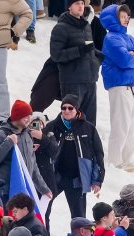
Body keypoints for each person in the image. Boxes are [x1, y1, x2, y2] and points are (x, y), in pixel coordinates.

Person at [100, 4, 134, 169]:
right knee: (120, 126)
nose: (127, 19)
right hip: (119, 87)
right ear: (114, 19)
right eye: (122, 16)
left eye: (127, 16)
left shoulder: (128, 38)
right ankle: (115, 162)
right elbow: (124, 60)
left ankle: (127, 161)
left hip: (132, 87)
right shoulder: (111, 38)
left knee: (131, 127)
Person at [43, 94, 105, 222]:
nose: (66, 111)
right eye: (63, 108)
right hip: (56, 177)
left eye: (70, 108)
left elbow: (98, 154)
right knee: (43, 208)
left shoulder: (88, 128)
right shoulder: (52, 126)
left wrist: (97, 179)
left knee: (79, 217)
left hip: (77, 180)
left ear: (77, 110)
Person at [0, 100, 52, 200]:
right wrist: (8, 143)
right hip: (4, 193)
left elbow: (33, 166)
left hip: (21, 192)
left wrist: (43, 189)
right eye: (26, 116)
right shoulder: (2, 134)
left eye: (30, 115)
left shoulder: (28, 135)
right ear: (17, 116)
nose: (29, 119)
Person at [51, 0, 100, 123]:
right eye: (77, 3)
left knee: (89, 123)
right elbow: (56, 55)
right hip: (72, 82)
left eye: (82, 3)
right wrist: (79, 51)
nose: (81, 6)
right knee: (71, 121)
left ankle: (88, 144)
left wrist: (99, 58)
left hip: (90, 80)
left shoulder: (86, 26)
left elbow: (89, 49)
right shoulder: (60, 28)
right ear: (69, 7)